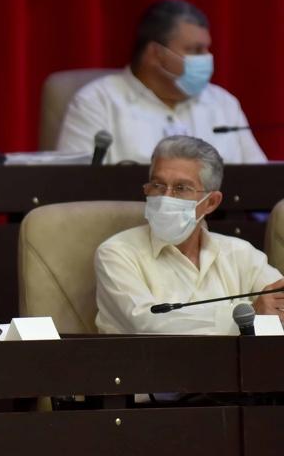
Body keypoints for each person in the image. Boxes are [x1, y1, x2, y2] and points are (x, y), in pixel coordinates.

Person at [95, 135, 284, 334]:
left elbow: (277, 305)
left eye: (181, 188)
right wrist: (248, 315)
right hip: (146, 364)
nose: (165, 197)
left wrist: (268, 313)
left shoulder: (240, 253)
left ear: (211, 202)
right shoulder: (116, 252)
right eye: (158, 185)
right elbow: (146, 324)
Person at [56, 0, 266, 164]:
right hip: (128, 218)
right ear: (156, 53)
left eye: (207, 48)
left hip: (222, 218)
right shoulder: (97, 102)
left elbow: (262, 184)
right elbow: (75, 190)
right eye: (194, 50)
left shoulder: (223, 104)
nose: (207, 57)